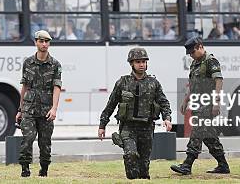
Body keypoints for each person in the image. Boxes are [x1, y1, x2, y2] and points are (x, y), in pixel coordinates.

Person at [97, 47, 172, 179]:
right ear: (131, 63)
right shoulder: (123, 82)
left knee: (144, 166)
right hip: (128, 127)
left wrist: (167, 118)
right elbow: (111, 104)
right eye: (138, 62)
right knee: (131, 154)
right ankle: (132, 180)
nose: (141, 64)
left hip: (147, 128)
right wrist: (102, 125)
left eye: (143, 61)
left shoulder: (153, 83)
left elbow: (163, 102)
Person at [171, 37, 230, 175]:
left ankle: (187, 165)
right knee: (209, 136)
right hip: (198, 103)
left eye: (193, 52)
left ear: (200, 47)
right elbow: (193, 85)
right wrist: (186, 101)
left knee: (197, 132)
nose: (191, 55)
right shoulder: (195, 64)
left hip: (207, 104)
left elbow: (218, 81)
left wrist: (216, 103)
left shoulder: (211, 61)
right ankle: (223, 165)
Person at [16, 30, 62, 177]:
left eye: (46, 42)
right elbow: (24, 87)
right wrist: (20, 109)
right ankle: (25, 169)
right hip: (29, 108)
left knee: (45, 142)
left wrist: (54, 108)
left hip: (46, 110)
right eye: (41, 41)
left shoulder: (55, 65)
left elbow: (57, 87)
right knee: (27, 138)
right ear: (36, 42)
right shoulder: (28, 63)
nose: (44, 44)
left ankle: (44, 170)